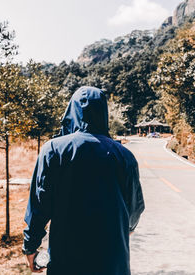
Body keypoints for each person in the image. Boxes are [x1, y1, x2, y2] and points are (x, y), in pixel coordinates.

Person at [22, 86, 145, 275]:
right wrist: (126, 228)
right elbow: (135, 207)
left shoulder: (54, 150)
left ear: (71, 111)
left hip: (67, 260)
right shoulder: (124, 156)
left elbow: (39, 205)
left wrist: (31, 247)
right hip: (112, 261)